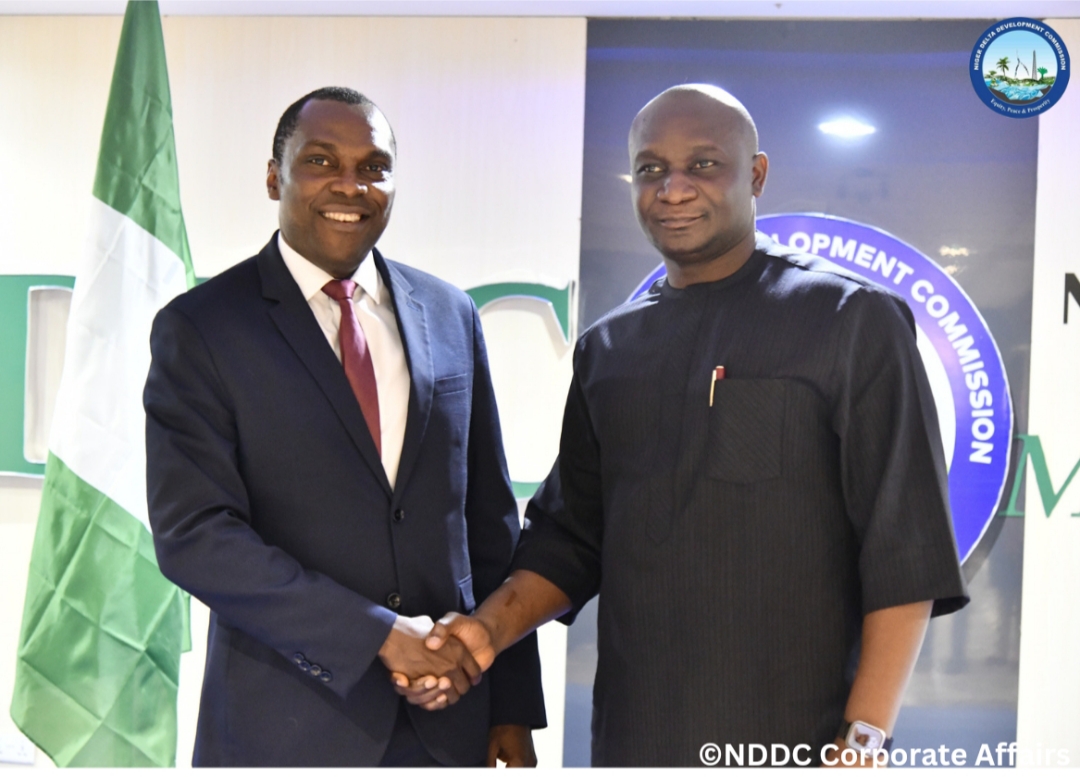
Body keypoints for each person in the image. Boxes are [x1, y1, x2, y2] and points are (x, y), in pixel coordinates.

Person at [416, 84, 969, 766]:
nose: (673, 189)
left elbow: (903, 549)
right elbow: (570, 538)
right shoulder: (608, 347)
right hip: (634, 739)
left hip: (797, 741)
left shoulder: (850, 320)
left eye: (703, 164)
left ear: (756, 174)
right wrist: (486, 632)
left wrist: (864, 739)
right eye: (651, 169)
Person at [144, 87, 544, 767]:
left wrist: (510, 704)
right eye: (321, 161)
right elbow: (197, 537)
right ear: (274, 176)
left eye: (374, 167)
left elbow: (488, 522)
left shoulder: (450, 313)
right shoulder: (204, 326)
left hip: (448, 724)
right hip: (285, 729)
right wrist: (378, 635)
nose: (351, 186)